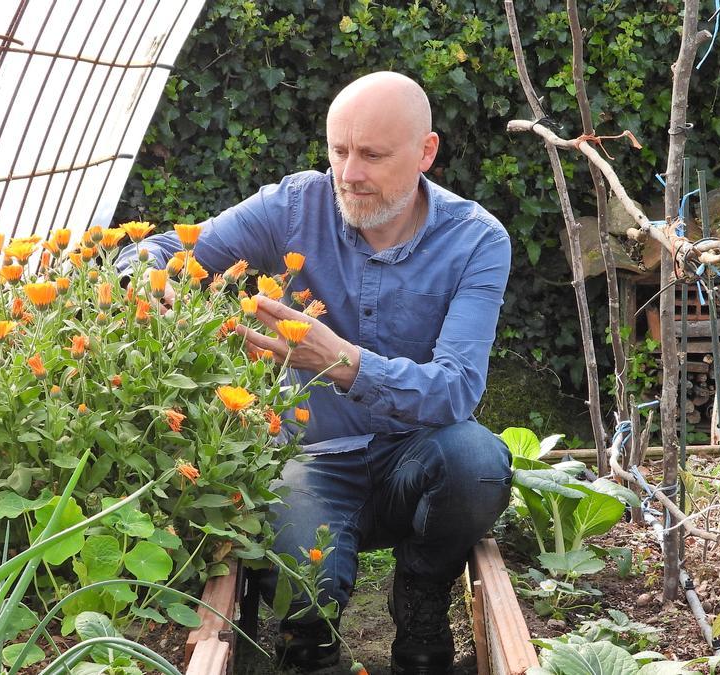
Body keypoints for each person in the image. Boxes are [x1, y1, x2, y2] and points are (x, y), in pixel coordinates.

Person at [118, 71, 512, 675]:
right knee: (307, 582)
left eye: (372, 155)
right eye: (339, 151)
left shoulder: (476, 239)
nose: (349, 173)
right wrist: (146, 280)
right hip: (309, 456)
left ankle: (423, 597)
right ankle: (309, 638)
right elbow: (164, 249)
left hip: (417, 457)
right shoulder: (295, 206)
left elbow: (457, 388)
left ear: (425, 152)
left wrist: (344, 362)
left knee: (478, 462)